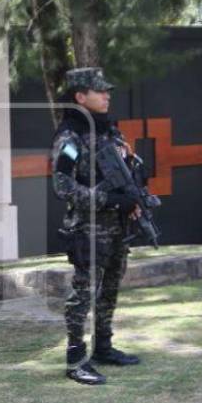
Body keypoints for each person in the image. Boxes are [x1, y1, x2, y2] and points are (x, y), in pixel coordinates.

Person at [51, 67, 143, 386]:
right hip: (88, 228)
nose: (106, 96)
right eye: (99, 91)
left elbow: (126, 171)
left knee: (111, 286)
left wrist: (131, 199)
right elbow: (63, 186)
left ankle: (103, 347)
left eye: (107, 91)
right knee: (84, 293)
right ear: (80, 97)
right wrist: (107, 199)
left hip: (116, 226)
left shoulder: (108, 131)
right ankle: (76, 360)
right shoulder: (70, 137)